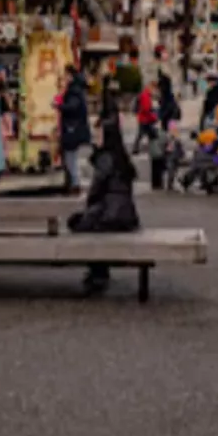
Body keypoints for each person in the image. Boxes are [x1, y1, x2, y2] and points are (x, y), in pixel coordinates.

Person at [69, 112, 141, 292]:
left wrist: (86, 211)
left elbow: (96, 190)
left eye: (98, 134)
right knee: (90, 225)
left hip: (109, 213)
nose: (95, 139)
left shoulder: (105, 158)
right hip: (125, 214)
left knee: (83, 226)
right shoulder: (120, 157)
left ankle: (98, 273)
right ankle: (99, 272)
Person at [56, 65, 91, 194]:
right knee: (71, 156)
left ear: (70, 75)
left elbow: (72, 106)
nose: (64, 78)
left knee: (71, 157)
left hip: (72, 127)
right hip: (74, 127)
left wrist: (59, 106)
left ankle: (75, 183)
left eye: (65, 75)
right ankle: (73, 182)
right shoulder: (77, 88)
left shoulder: (73, 90)